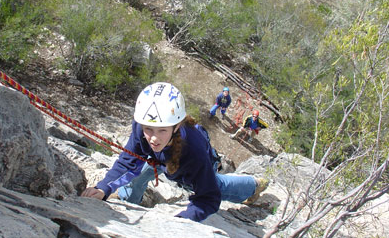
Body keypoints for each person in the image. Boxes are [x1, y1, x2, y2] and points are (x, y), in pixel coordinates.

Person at [81, 82, 268, 223]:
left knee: (216, 186)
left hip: (187, 162)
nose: (153, 138)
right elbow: (128, 161)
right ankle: (127, 198)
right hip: (160, 158)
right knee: (141, 171)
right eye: (149, 129)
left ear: (177, 126)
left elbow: (208, 198)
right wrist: (103, 188)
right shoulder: (142, 126)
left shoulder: (192, 151)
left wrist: (182, 220)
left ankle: (253, 185)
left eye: (162, 130)